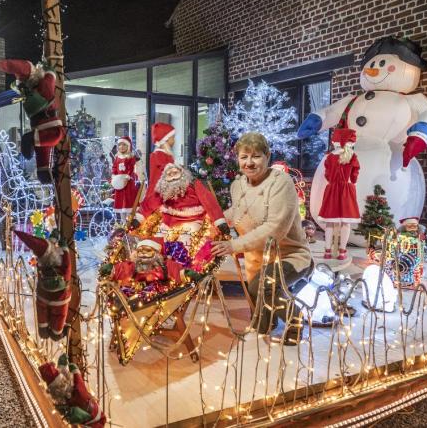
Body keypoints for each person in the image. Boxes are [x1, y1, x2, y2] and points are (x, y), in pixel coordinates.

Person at [211, 132, 312, 345]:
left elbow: (274, 229)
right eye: (244, 157)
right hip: (257, 257)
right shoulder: (238, 184)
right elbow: (238, 212)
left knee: (264, 285)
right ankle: (264, 326)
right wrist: (214, 222)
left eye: (256, 156)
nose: (249, 163)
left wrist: (234, 245)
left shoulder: (281, 183)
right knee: (255, 287)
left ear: (267, 156)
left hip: (289, 255)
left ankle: (295, 324)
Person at [136, 163, 228, 247]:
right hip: (168, 222)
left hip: (192, 221)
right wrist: (138, 218)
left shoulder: (194, 184)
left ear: (182, 173)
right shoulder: (164, 188)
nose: (172, 176)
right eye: (169, 174)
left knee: (185, 242)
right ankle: (156, 260)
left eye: (175, 173)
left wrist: (220, 221)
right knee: (157, 240)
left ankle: (178, 263)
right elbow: (149, 203)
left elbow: (209, 201)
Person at [317, 128, 361, 260]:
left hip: (332, 190)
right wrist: (352, 182)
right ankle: (342, 251)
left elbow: (327, 175)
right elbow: (354, 175)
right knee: (345, 222)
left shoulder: (330, 157)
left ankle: (327, 251)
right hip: (347, 191)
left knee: (330, 222)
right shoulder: (352, 156)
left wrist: (333, 182)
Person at [111, 136, 140, 223]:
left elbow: (130, 169)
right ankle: (123, 223)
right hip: (119, 184)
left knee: (128, 202)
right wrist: (113, 177)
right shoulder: (117, 158)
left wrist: (127, 177)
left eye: (124, 145)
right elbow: (114, 168)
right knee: (120, 203)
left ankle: (129, 222)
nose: (121, 147)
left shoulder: (130, 158)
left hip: (128, 183)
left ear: (128, 146)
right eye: (119, 145)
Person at [146, 122, 176, 196]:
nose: (174, 140)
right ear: (165, 139)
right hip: (159, 190)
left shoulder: (166, 155)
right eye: (173, 138)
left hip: (167, 187)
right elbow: (165, 169)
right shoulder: (157, 155)